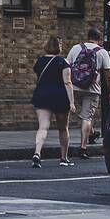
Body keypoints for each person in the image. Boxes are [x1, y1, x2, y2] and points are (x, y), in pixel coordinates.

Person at [66, 27, 110, 160]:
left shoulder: (75, 48)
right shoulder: (102, 52)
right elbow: (108, 76)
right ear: (99, 39)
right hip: (92, 90)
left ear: (88, 36)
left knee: (83, 115)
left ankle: (92, 134)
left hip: (75, 88)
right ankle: (83, 148)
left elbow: (66, 67)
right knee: (87, 117)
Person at [31, 36, 74, 168]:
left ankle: (37, 153)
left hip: (42, 95)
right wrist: (71, 102)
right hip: (60, 97)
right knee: (63, 128)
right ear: (59, 47)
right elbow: (67, 82)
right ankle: (63, 158)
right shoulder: (63, 62)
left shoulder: (40, 61)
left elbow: (38, 77)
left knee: (43, 127)